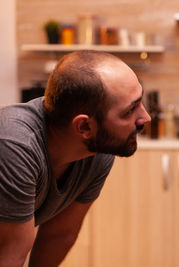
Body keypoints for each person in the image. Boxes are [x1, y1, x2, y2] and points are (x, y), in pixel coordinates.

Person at [0, 50, 151, 266]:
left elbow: (59, 234)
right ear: (84, 126)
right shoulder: (15, 144)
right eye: (130, 110)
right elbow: (11, 252)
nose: (146, 117)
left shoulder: (96, 151)